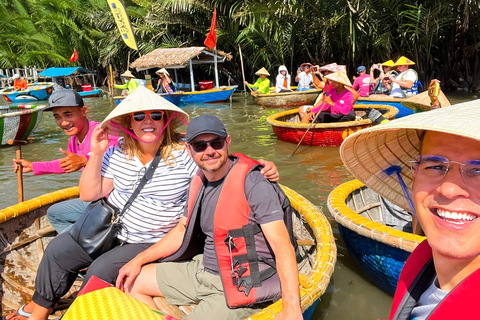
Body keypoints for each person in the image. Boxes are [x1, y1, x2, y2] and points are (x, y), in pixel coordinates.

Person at [6, 87, 278, 320]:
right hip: (112, 229)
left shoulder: (184, 152)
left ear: (166, 119)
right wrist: (97, 153)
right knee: (58, 250)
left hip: (151, 239)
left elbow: (219, 159)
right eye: (139, 116)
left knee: (100, 274)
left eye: (155, 115)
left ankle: (85, 310)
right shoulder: (116, 150)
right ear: (129, 122)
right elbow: (90, 195)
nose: (147, 121)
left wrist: (259, 166)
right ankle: (40, 309)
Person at [117, 114, 302, 320]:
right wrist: (137, 261)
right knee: (130, 281)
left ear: (228, 142)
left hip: (242, 283)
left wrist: (292, 306)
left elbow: (281, 244)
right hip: (204, 270)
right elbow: (182, 230)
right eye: (199, 145)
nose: (209, 151)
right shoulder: (199, 180)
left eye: (216, 143)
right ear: (189, 151)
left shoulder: (254, 183)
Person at [339, 101, 480, 319]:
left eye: (479, 171)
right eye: (436, 167)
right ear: (414, 178)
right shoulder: (422, 267)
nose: (449, 189)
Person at [12, 89, 119, 233]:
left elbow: (122, 158)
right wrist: (32, 166)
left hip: (114, 201)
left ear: (83, 111)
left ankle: (80, 241)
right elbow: (68, 163)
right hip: (95, 198)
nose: (63, 122)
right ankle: (78, 242)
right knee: (54, 213)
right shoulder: (74, 140)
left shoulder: (103, 133)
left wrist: (86, 160)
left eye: (68, 114)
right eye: (57, 117)